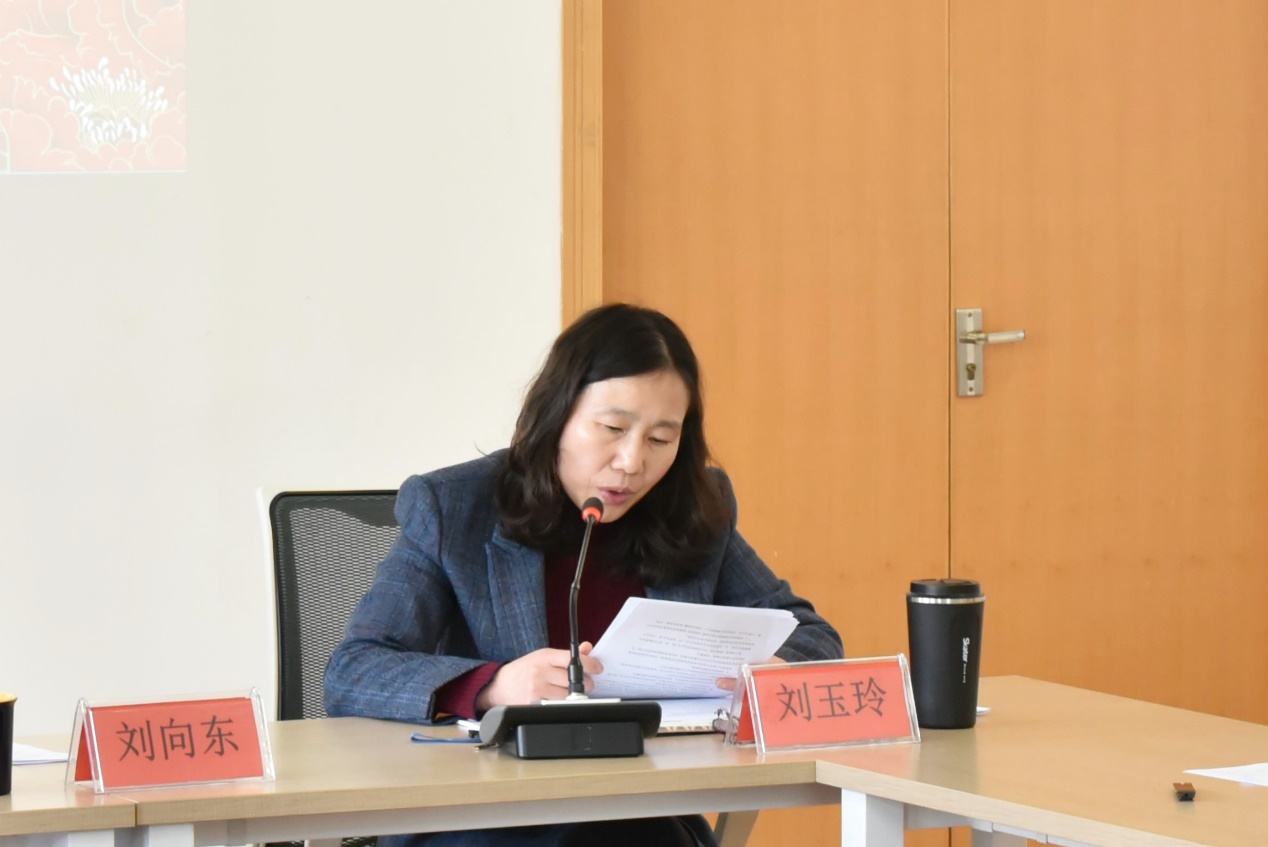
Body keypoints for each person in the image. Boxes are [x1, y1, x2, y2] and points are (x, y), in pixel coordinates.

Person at [324, 303, 843, 847]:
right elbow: (354, 669)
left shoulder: (692, 510)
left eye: (660, 440)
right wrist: (493, 687)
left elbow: (812, 635)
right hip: (481, 816)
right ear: (557, 416)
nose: (631, 462)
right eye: (613, 428)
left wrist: (772, 671)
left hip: (640, 809)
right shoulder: (454, 509)